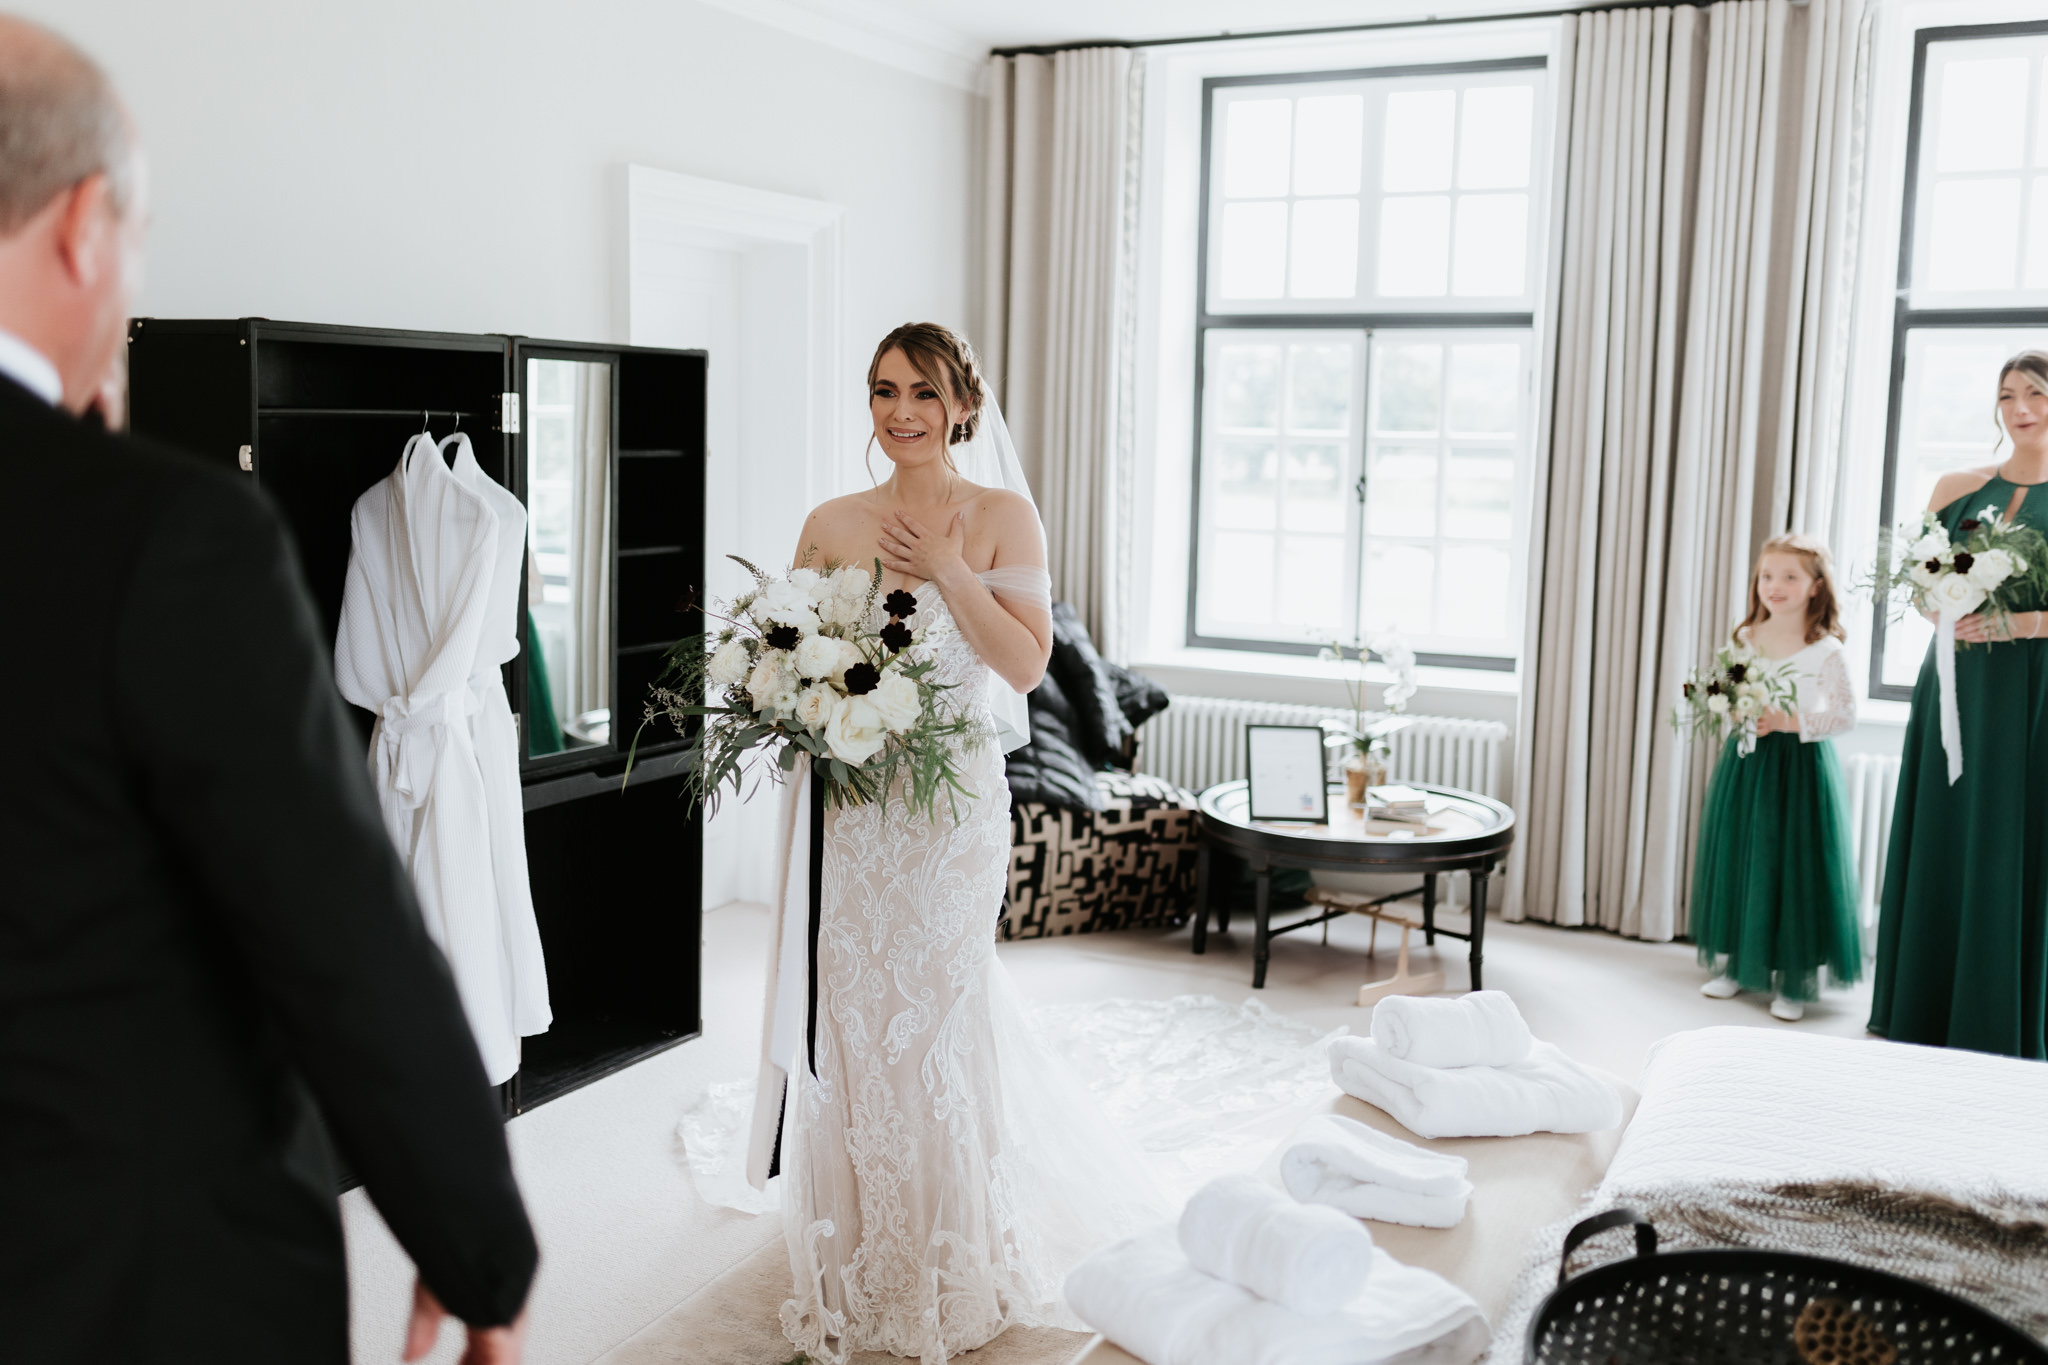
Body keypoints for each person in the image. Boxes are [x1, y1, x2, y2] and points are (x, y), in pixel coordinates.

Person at [0, 17, 538, 1362]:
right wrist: (476, 1241)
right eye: (139, 234)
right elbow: (334, 933)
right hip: (110, 1272)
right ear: (82, 227)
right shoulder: (163, 533)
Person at [765, 323, 1163, 1363]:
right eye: (884, 390)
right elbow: (787, 661)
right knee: (857, 1012)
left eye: (923, 392)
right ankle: (862, 1243)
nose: (901, 411)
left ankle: (949, 1249)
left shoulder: (999, 517)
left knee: (936, 1016)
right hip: (856, 809)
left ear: (961, 406)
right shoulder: (829, 522)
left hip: (950, 817)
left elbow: (1023, 667)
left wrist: (946, 567)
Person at [1870, 350, 2048, 1060]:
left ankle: (2002, 1017)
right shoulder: (1956, 486)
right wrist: (1938, 601)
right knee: (1947, 830)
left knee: (2015, 838)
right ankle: (1923, 1005)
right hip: (1954, 686)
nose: (2020, 408)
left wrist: (2027, 623)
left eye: (2035, 392)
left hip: (2032, 695)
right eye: (2007, 395)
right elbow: (1918, 581)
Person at [1690, 534, 1862, 1022]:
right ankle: (1738, 966)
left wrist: (1788, 721)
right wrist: (1730, 707)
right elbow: (1724, 689)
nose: (1775, 585)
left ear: (1815, 586)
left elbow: (1845, 715)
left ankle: (1792, 978)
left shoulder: (1825, 648)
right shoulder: (1746, 638)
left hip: (1800, 769)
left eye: (1789, 576)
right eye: (1767, 576)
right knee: (1743, 856)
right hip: (1748, 763)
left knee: (1793, 864)